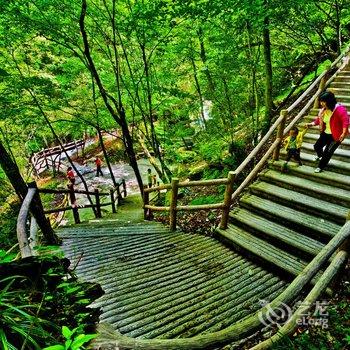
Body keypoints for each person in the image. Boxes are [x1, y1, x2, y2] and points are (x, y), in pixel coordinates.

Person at [307, 91, 349, 173]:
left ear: (330, 101)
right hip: (325, 133)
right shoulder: (324, 110)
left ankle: (321, 166)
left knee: (327, 152)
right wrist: (312, 124)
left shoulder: (340, 109)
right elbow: (319, 119)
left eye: (323, 101)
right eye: (320, 101)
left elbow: (345, 122)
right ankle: (321, 156)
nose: (321, 103)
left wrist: (344, 133)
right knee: (317, 147)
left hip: (336, 136)